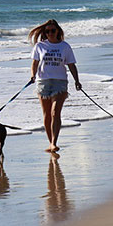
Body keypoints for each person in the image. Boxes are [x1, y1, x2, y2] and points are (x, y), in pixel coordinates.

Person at [28, 19, 81, 153]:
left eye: (52, 30)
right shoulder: (40, 46)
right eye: (47, 31)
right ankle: (50, 141)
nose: (50, 33)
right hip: (43, 82)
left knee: (55, 112)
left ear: (58, 31)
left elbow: (71, 65)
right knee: (46, 114)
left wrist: (77, 81)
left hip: (60, 82)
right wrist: (33, 76)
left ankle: (54, 142)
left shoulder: (65, 46)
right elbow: (34, 63)